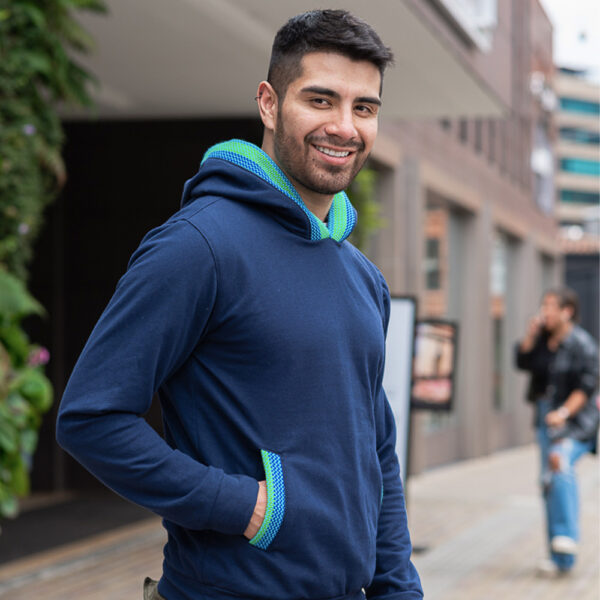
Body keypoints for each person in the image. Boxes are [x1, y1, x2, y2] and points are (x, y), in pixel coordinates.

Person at [56, 9, 424, 600]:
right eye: (321, 100)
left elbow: (376, 447)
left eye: (364, 108)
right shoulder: (199, 246)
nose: (344, 126)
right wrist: (246, 506)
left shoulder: (362, 279)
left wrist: (398, 587)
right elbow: (92, 418)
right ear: (270, 104)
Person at [515, 288, 599, 575]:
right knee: (548, 482)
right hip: (544, 417)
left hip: (574, 420)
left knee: (559, 463)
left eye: (551, 306)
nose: (545, 312)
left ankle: (567, 537)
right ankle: (559, 556)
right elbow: (522, 362)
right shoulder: (542, 340)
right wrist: (530, 334)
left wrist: (563, 413)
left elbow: (587, 387)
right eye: (543, 306)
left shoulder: (582, 344)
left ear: (567, 311)